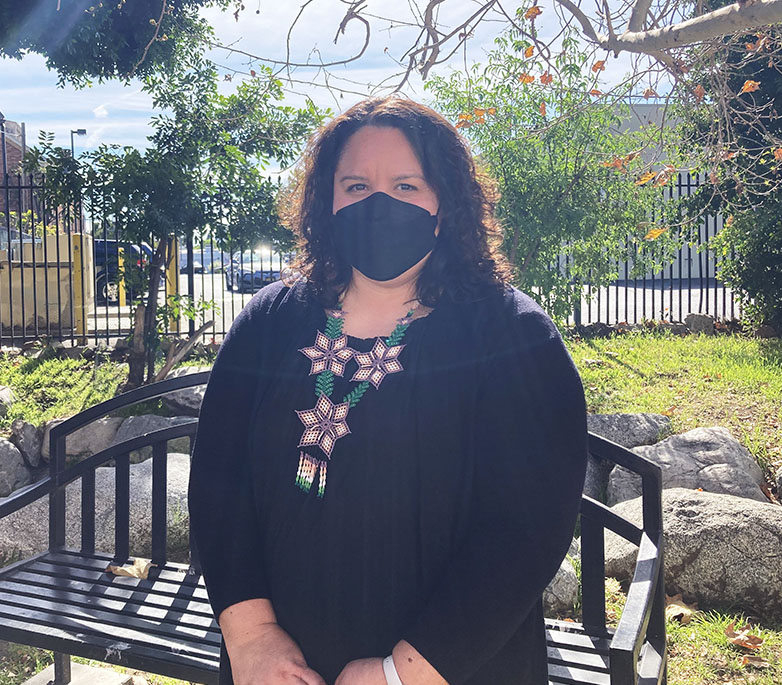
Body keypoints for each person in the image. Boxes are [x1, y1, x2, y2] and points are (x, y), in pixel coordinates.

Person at [188, 95, 588, 685]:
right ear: (326, 202)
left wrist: (404, 673)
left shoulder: (512, 336)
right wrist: (250, 638)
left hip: (453, 669)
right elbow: (220, 482)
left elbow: (526, 528)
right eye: (355, 186)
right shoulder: (268, 323)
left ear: (445, 203)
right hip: (275, 668)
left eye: (406, 186)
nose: (378, 206)